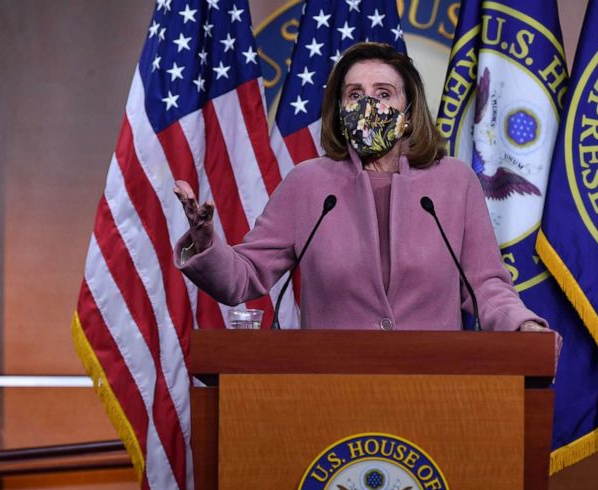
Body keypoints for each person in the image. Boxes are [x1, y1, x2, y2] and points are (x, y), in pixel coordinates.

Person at [173, 42, 552, 334]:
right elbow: (244, 277)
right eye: (355, 95)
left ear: (408, 111)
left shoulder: (454, 182)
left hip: (434, 389)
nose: (369, 104)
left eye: (384, 94)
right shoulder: (308, 184)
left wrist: (522, 323)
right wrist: (205, 243)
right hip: (333, 390)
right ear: (339, 109)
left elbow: (484, 283)